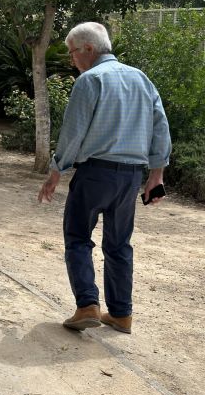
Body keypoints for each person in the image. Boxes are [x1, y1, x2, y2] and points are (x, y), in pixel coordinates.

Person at [38, 22, 171, 334]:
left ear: (89, 49)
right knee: (119, 244)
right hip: (129, 179)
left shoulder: (90, 81)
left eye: (72, 53)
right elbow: (160, 127)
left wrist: (56, 172)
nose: (72, 59)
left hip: (95, 173)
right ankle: (122, 314)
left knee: (77, 237)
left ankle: (87, 305)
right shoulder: (141, 79)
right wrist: (156, 175)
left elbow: (73, 133)